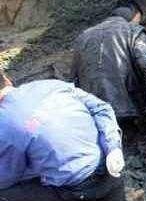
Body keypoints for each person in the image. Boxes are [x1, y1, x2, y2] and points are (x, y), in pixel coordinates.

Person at [0, 71, 125, 201]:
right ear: (7, 79)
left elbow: (7, 177)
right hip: (111, 170)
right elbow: (101, 108)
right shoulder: (52, 85)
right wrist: (113, 147)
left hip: (75, 190)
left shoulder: (4, 123)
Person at [72, 0, 146, 121]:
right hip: (126, 107)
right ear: (136, 15)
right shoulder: (133, 30)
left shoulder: (83, 36)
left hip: (92, 109)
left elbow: (74, 78)